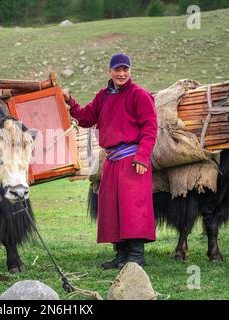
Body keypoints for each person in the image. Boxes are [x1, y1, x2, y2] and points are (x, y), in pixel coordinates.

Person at [63, 53, 158, 269]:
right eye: (117, 69)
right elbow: (86, 117)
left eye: (125, 69)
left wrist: (142, 156)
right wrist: (70, 101)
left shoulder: (139, 95)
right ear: (110, 72)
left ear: (130, 71)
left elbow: (150, 128)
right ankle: (122, 256)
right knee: (114, 209)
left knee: (132, 208)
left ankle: (136, 256)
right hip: (112, 161)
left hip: (133, 160)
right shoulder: (103, 96)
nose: (121, 73)